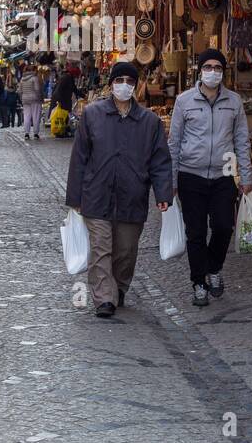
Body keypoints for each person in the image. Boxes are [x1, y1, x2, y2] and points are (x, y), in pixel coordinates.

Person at [66, 62, 173, 318]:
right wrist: (75, 197)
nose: (124, 84)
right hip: (96, 193)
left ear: (135, 85)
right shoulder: (92, 114)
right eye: (119, 79)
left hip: (132, 195)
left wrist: (163, 194)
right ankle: (104, 298)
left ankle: (119, 287)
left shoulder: (150, 122)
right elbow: (79, 157)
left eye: (129, 80)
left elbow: (160, 161)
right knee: (101, 248)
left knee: (125, 252)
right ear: (111, 83)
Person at [168, 49, 252, 308]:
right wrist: (170, 181)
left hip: (223, 176)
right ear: (200, 70)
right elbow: (174, 143)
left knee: (223, 226)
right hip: (190, 175)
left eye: (218, 67)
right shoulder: (184, 101)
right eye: (208, 66)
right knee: (195, 233)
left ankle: (214, 268)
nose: (213, 71)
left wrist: (245, 176)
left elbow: (241, 140)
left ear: (223, 71)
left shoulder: (234, 101)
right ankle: (199, 283)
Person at [49, 66, 77, 137]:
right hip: (62, 99)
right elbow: (59, 89)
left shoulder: (68, 78)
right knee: (62, 115)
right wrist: (59, 101)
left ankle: (63, 131)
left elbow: (74, 89)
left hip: (64, 99)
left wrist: (83, 95)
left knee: (64, 115)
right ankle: (61, 131)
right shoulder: (66, 78)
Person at [19, 63, 44, 139]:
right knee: (36, 116)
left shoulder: (22, 79)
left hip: (25, 99)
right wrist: (40, 97)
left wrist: (22, 98)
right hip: (35, 99)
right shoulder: (34, 78)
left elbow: (20, 91)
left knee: (26, 116)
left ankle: (26, 133)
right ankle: (36, 133)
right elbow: (37, 89)